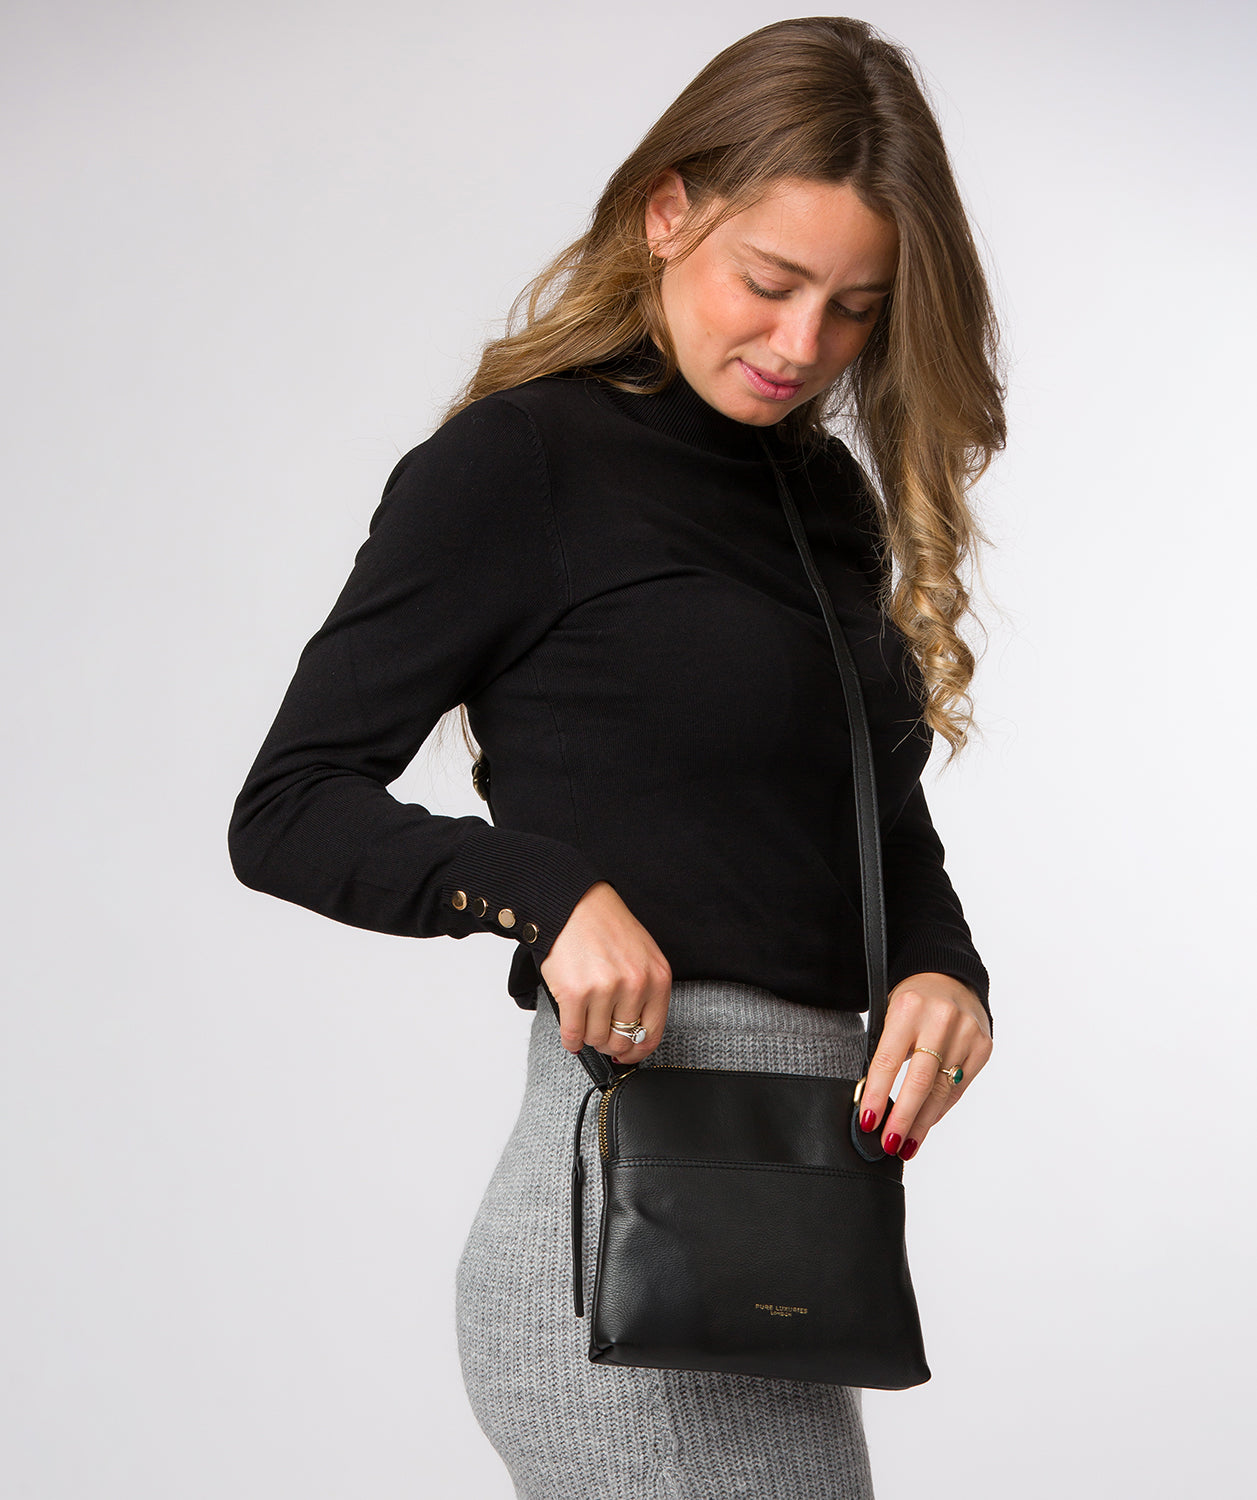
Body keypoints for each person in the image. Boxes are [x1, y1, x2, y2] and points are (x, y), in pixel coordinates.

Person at [227, 15, 1005, 1497]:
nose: (801, 347)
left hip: (790, 1236)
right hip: (615, 1258)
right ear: (666, 213)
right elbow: (287, 808)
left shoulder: (820, 500)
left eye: (854, 310)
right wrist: (541, 890)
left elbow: (874, 818)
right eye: (768, 283)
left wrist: (940, 967)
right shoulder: (519, 463)